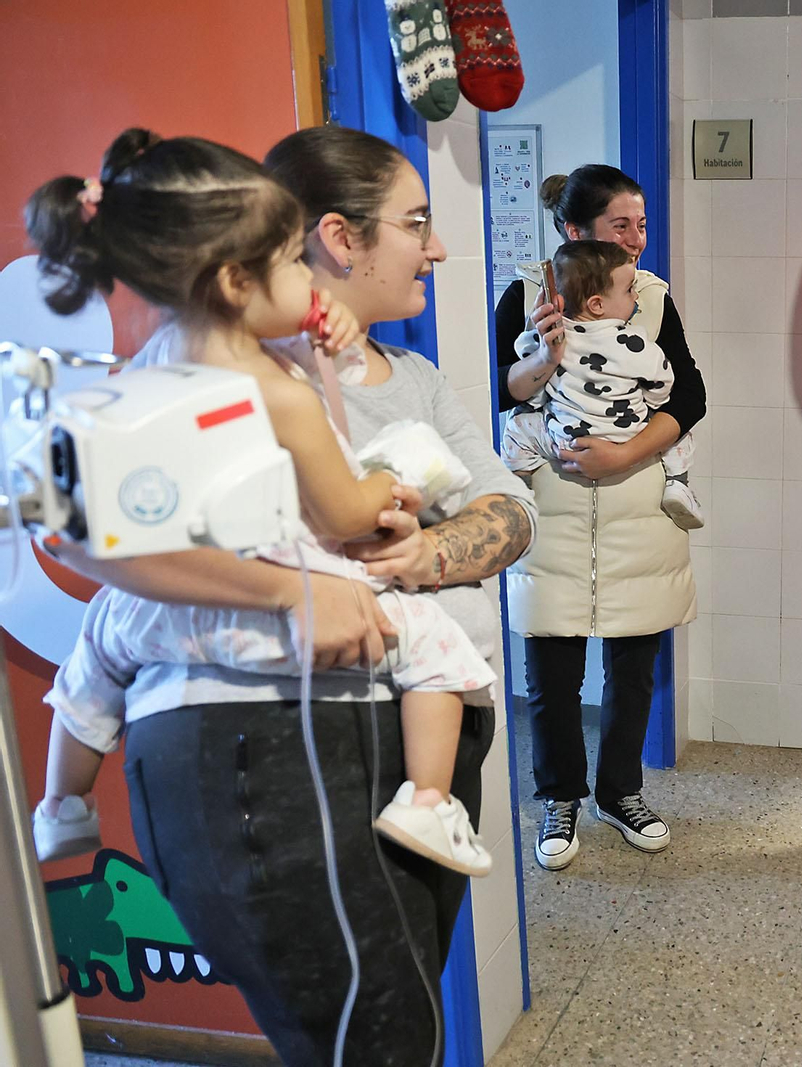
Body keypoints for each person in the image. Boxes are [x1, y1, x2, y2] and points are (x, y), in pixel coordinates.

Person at [31, 123, 536, 1065]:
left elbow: (511, 510)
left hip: (386, 726)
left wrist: (415, 542)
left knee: (400, 1008)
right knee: (379, 1033)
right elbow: (78, 530)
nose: (435, 247)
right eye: (415, 222)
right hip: (303, 732)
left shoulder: (345, 370)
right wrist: (299, 581)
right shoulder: (217, 383)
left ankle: (61, 801)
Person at [494, 165, 702, 872]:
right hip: (551, 515)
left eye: (641, 224)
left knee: (632, 671)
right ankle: (559, 797)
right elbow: (504, 392)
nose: (637, 239)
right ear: (575, 230)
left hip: (636, 508)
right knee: (551, 673)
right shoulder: (524, 294)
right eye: (622, 225)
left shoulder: (651, 297)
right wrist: (544, 355)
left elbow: (689, 396)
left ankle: (621, 793)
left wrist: (625, 454)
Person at [500, 240, 695, 530]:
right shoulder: (636, 342)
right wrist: (651, 404)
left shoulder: (553, 338)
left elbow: (529, 378)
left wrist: (539, 342)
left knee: (518, 426)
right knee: (678, 432)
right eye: (629, 290)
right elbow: (664, 382)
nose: (636, 295)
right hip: (627, 432)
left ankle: (519, 484)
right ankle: (677, 483)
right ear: (597, 304)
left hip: (564, 440)